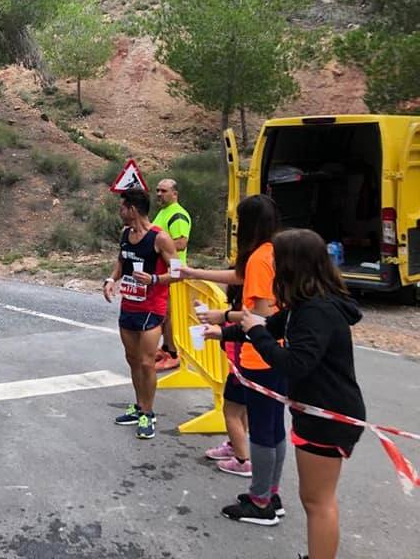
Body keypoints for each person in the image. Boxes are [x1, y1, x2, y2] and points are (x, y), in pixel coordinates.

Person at [204, 229, 364, 559]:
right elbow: (268, 326)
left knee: (318, 502)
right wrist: (221, 331)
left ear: (294, 265)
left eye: (277, 260)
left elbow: (293, 363)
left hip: (327, 417)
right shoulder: (303, 306)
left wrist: (258, 334)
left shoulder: (316, 312)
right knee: (315, 499)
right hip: (314, 412)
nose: (272, 266)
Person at [182, 194, 286, 525]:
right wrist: (194, 272)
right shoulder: (274, 252)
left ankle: (261, 503)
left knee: (264, 434)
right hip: (278, 353)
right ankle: (270, 494)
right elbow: (240, 279)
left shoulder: (259, 259)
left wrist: (221, 316)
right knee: (273, 430)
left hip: (260, 356)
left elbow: (260, 314)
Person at [103, 188, 179, 440]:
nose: (120, 212)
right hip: (129, 306)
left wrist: (155, 278)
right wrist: (110, 280)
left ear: (133, 209)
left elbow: (179, 272)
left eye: (122, 207)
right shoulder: (126, 233)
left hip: (151, 308)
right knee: (133, 359)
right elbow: (121, 262)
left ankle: (149, 413)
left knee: (148, 362)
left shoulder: (160, 238)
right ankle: (138, 407)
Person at [151, 178, 191, 371]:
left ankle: (173, 354)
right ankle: (166, 347)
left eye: (164, 191)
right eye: (158, 190)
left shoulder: (178, 215)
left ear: (175, 193)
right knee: (165, 314)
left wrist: (154, 247)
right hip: (164, 270)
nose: (159, 194)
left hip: (173, 271)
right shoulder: (163, 212)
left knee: (171, 315)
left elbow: (181, 242)